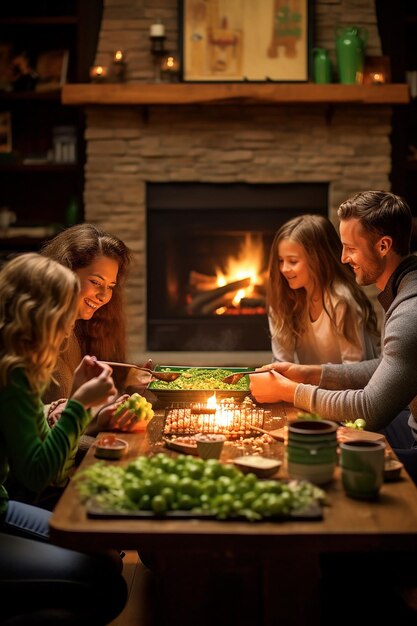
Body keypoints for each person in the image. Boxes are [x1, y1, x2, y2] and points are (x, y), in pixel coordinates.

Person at [0, 253, 127, 625]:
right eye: (66, 313)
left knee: (107, 555)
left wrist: (75, 399)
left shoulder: (16, 362)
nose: (73, 322)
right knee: (106, 587)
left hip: (3, 503)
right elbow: (40, 475)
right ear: (40, 314)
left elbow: (51, 467)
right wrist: (81, 407)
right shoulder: (13, 375)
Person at [250, 190, 417, 440]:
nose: (343, 258)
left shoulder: (408, 312)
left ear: (383, 246)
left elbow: (368, 411)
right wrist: (310, 373)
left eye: (350, 248)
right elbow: (385, 365)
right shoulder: (403, 290)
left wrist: (291, 391)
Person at [39, 224, 152, 446]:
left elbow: (66, 420)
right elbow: (44, 435)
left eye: (110, 286)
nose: (103, 295)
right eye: (96, 282)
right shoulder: (35, 336)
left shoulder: (73, 329)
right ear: (65, 273)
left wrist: (103, 419)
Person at [267, 214, 379, 364]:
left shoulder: (340, 301)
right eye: (280, 261)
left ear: (318, 260)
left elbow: (354, 371)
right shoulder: (283, 299)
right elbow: (281, 363)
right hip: (311, 385)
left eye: (293, 261)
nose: (284, 269)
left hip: (351, 386)